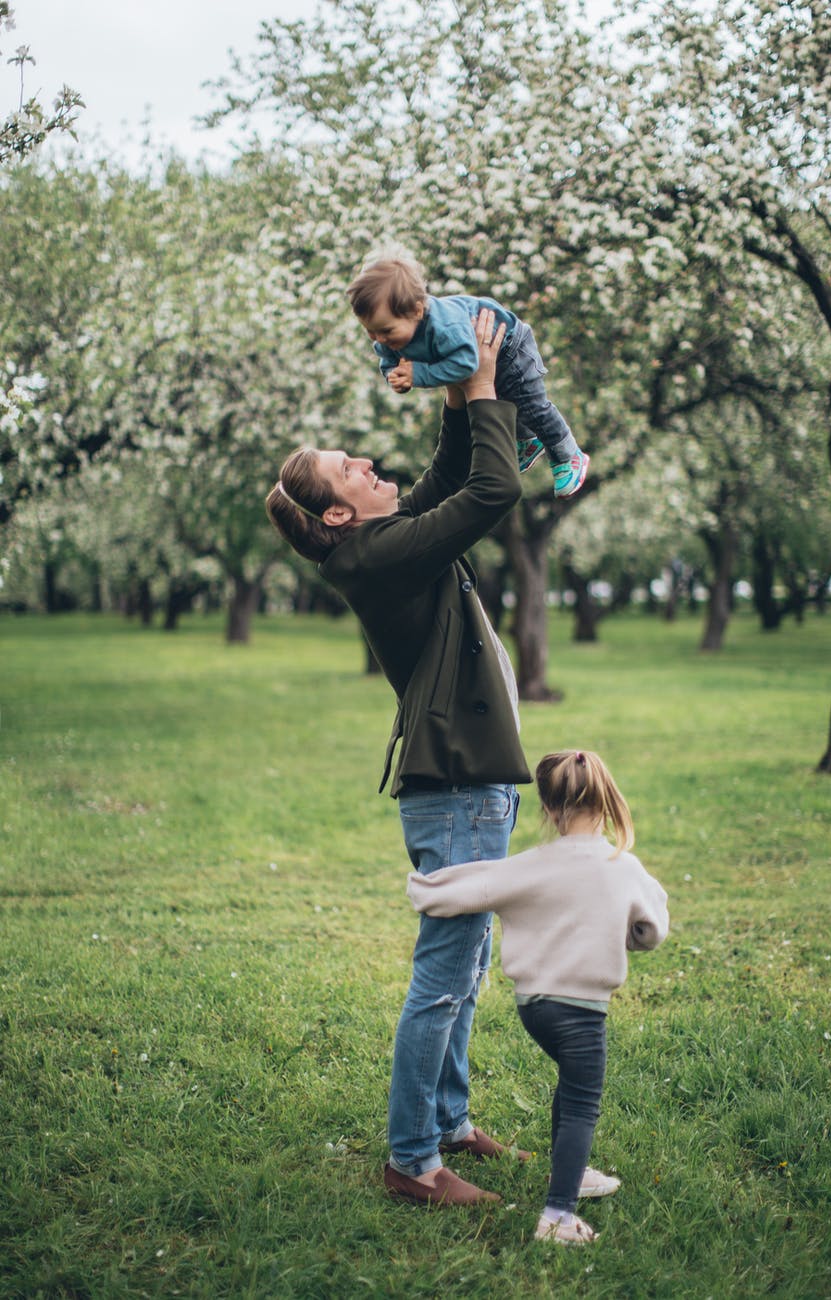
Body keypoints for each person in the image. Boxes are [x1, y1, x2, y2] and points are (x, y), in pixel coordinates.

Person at [266, 310, 532, 1207]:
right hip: (454, 790)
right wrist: (488, 392)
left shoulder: (385, 541)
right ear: (341, 512)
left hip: (473, 783)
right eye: (354, 469)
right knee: (442, 978)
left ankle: (449, 1123)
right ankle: (412, 1159)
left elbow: (454, 472)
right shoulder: (381, 558)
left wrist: (460, 383)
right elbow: (492, 491)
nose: (372, 466)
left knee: (466, 970)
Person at [407, 748, 670, 1244]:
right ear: (609, 802)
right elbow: (652, 930)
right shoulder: (624, 866)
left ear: (548, 810)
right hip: (583, 1012)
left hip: (535, 1007)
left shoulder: (529, 866)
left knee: (571, 1090)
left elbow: (466, 888)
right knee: (580, 1102)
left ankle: (568, 1172)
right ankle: (558, 1216)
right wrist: (628, 933)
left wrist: (423, 887)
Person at [347, 254, 590, 500]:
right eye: (370, 331)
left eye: (385, 331)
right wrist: (395, 378)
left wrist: (418, 374)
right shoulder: (388, 336)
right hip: (483, 353)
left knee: (530, 405)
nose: (378, 339)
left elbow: (466, 365)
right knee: (504, 401)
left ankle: (567, 455)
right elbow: (388, 362)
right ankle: (528, 441)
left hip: (510, 346)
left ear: (417, 311)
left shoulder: (446, 328)